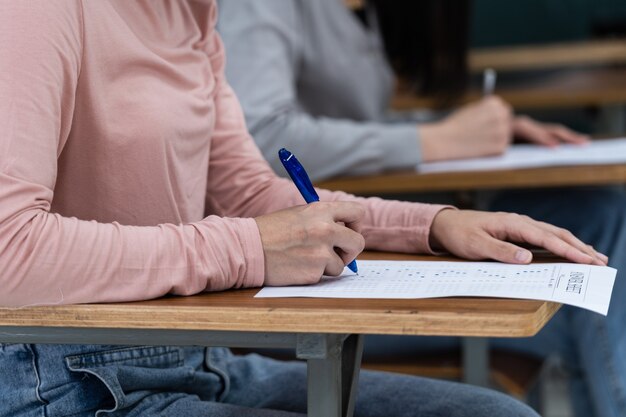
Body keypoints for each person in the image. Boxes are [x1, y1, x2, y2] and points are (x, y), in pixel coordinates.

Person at [0, 1, 610, 417]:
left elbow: (245, 190)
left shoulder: (191, 13)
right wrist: (248, 248)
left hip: (194, 356)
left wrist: (430, 225)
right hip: (57, 381)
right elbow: (10, 250)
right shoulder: (36, 12)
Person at [216, 1, 626, 416]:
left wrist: (459, 130)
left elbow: (360, 120)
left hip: (361, 236)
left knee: (597, 224)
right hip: (304, 272)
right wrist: (434, 140)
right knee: (585, 314)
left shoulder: (364, 11)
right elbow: (262, 138)